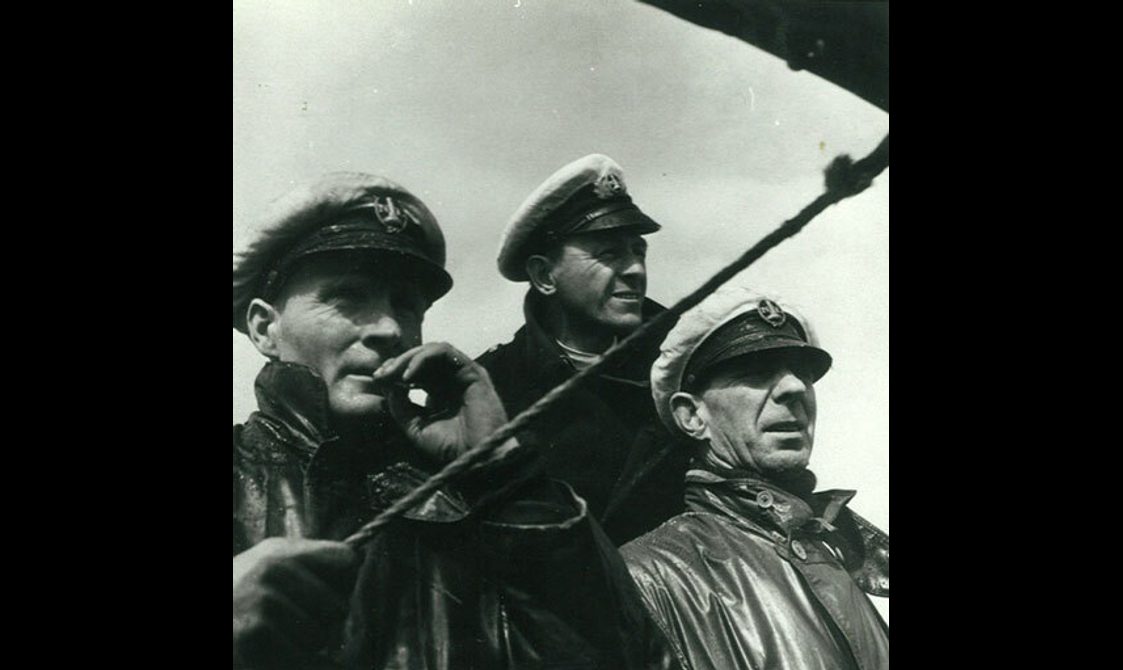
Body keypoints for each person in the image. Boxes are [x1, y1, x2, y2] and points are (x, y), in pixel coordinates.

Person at [232, 172, 680, 670]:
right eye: (348, 298)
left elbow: (625, 657)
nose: (388, 328)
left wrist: (506, 472)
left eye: (406, 305)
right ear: (264, 327)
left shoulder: (476, 498)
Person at [620, 286, 890, 670]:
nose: (795, 388)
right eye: (756, 372)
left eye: (803, 374)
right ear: (693, 417)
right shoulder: (646, 578)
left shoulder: (833, 552)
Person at [477, 154, 690, 545]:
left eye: (638, 251)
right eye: (608, 254)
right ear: (544, 276)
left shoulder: (683, 367)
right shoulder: (490, 387)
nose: (635, 270)